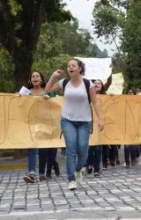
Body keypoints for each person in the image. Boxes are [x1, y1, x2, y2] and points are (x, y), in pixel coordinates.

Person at [45, 58, 104, 190]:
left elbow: (95, 102)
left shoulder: (88, 84)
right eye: (68, 66)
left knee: (83, 149)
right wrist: (53, 77)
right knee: (71, 149)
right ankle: (71, 179)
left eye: (73, 65)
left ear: (80, 69)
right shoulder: (64, 82)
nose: (70, 68)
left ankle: (78, 169)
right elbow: (47, 90)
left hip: (84, 121)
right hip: (67, 120)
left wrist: (101, 119)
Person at [22, 71, 60, 183]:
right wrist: (18, 96)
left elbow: (57, 104)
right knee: (32, 148)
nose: (35, 78)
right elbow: (16, 102)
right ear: (30, 80)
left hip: (47, 123)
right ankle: (32, 172)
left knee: (45, 148)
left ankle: (45, 171)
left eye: (37, 76)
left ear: (41, 79)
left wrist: (50, 100)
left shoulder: (48, 91)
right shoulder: (26, 92)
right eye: (33, 76)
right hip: (32, 124)